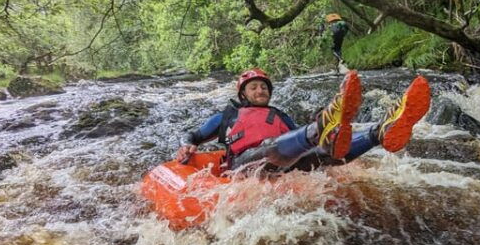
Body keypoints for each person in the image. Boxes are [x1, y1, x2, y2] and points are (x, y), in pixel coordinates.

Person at [176, 68, 431, 173]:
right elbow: (194, 135)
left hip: (283, 165)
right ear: (243, 93)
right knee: (275, 146)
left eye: (263, 87)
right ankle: (323, 125)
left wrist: (321, 146)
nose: (260, 91)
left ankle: (379, 132)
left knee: (322, 152)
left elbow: (297, 145)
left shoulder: (279, 116)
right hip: (245, 165)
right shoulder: (227, 116)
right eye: (253, 87)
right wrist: (187, 144)